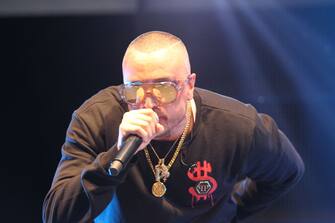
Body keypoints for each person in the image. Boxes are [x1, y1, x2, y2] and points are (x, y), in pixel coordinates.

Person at [42, 31, 304, 223]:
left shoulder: (237, 125)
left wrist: (232, 210)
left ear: (189, 86)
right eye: (134, 89)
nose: (148, 103)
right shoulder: (96, 118)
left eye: (163, 88)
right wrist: (114, 157)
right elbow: (56, 216)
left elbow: (288, 170)